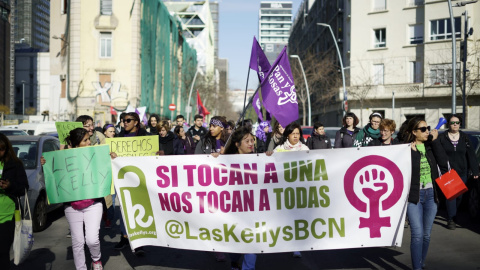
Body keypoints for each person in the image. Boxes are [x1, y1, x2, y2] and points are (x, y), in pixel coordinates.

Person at [41, 128, 113, 270]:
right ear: (75, 144)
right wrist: (46, 164)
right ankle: (81, 268)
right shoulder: (62, 157)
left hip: (94, 203)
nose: (88, 142)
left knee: (92, 239)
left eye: (88, 139)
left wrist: (112, 158)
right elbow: (54, 178)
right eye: (85, 140)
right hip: (72, 206)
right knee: (78, 241)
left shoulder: (96, 154)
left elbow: (107, 169)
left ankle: (96, 260)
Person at [405, 117, 448, 270]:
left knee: (426, 235)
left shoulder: (431, 146)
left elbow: (443, 162)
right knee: (417, 234)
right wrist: (413, 153)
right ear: (414, 132)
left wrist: (435, 142)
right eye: (422, 129)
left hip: (431, 195)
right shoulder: (407, 149)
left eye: (427, 128)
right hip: (414, 196)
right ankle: (417, 268)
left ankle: (421, 263)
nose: (427, 131)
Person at [437, 114, 479, 230]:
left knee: (459, 196)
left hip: (462, 171)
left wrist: (475, 170)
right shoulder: (442, 137)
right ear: (448, 124)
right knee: (451, 196)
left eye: (457, 123)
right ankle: (451, 219)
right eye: (452, 122)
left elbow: (471, 155)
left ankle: (453, 214)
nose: (454, 125)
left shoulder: (465, 137)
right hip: (448, 171)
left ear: (460, 124)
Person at [223, 127, 256, 269]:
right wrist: (213, 159)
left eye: (252, 141)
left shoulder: (259, 159)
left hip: (254, 208)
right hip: (233, 209)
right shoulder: (226, 160)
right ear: (237, 144)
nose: (251, 143)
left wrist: (271, 156)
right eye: (246, 141)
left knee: (253, 242)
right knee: (236, 242)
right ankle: (234, 262)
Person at [114, 112, 146, 256]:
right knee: (123, 209)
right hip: (123, 179)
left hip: (140, 179)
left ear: (136, 122)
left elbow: (153, 155)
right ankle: (125, 237)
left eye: (128, 120)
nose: (124, 122)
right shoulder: (118, 138)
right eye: (123, 120)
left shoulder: (145, 137)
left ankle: (139, 241)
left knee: (139, 209)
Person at [0, 133, 28, 270]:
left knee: (3, 252)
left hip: (7, 216)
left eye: (1, 149)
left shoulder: (15, 164)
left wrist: (9, 186)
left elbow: (23, 188)